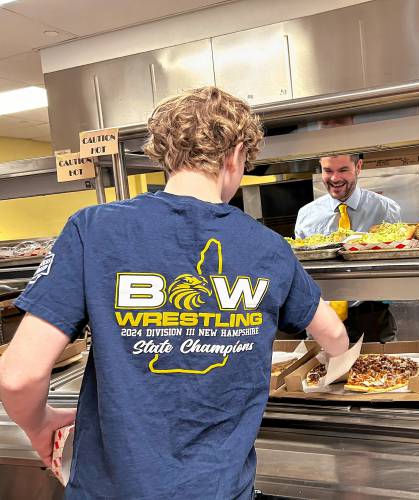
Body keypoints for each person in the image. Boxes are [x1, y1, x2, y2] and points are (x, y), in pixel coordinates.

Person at [0, 87, 348, 500]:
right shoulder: (267, 246)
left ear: (164, 153)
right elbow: (335, 337)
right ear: (236, 155)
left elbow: (18, 376)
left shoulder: (94, 228)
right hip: (220, 489)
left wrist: (39, 425)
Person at [295, 153, 402, 343]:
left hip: (371, 316)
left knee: (380, 371)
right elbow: (301, 272)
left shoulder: (385, 209)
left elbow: (393, 263)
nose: (335, 178)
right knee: (322, 372)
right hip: (321, 316)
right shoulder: (306, 215)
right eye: (328, 171)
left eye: (343, 170)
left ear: (358, 167)